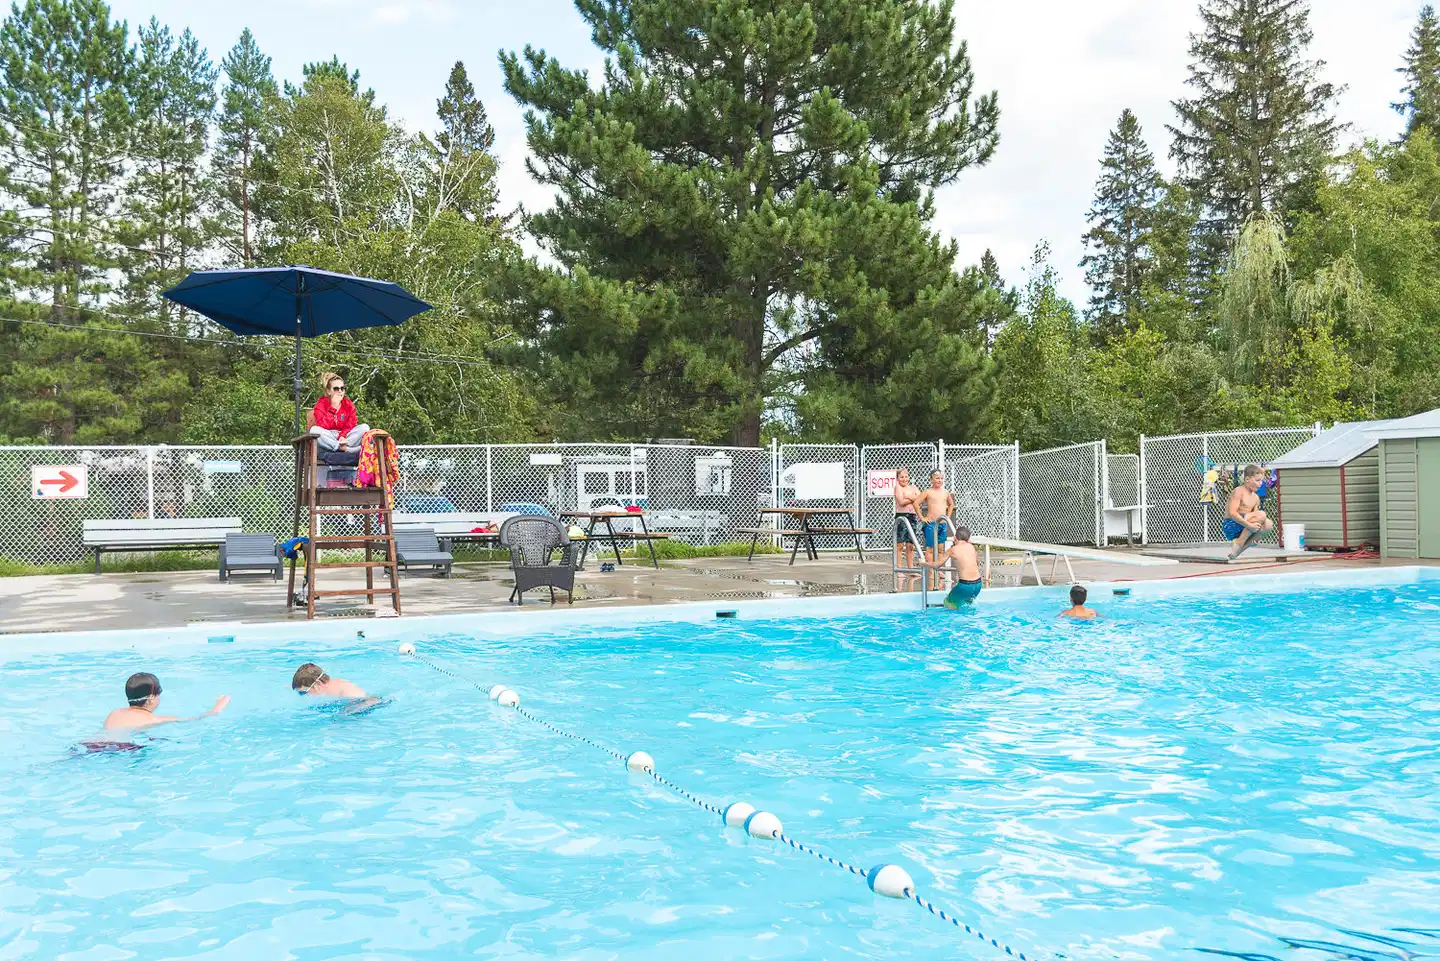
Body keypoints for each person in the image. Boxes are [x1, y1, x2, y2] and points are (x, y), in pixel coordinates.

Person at [103, 672, 230, 730]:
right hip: (122, 749)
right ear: (151, 698)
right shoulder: (155, 720)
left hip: (92, 745)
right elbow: (196, 720)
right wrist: (216, 709)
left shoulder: (115, 713)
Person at [923, 525, 983, 608]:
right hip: (978, 584)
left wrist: (923, 563)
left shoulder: (953, 549)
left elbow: (937, 565)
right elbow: (977, 563)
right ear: (968, 539)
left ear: (955, 538)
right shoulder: (971, 547)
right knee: (967, 605)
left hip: (965, 585)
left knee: (948, 604)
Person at [309, 371, 370, 453]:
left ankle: (344, 447)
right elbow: (322, 426)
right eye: (336, 388)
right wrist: (333, 408)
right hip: (328, 437)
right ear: (328, 391)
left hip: (345, 438)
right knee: (314, 430)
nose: (340, 391)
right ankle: (342, 448)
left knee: (365, 427)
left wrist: (342, 436)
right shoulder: (321, 404)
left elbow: (350, 426)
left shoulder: (348, 405)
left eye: (342, 388)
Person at [1223, 464, 1274, 560]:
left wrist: (1258, 534)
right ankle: (1239, 542)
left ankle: (1236, 552)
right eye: (1257, 480)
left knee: (1268, 524)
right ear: (1247, 479)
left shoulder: (1255, 497)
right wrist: (1249, 526)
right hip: (1231, 525)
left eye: (1262, 481)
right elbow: (1232, 513)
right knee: (1262, 514)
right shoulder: (1238, 491)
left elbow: (1257, 519)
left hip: (1244, 527)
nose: (1260, 484)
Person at [914, 470, 955, 585]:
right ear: (931, 479)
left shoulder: (945, 492)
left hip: (941, 524)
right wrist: (922, 517)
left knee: (941, 549)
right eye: (937, 478)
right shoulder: (928, 492)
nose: (939, 480)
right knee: (930, 549)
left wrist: (948, 517)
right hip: (931, 524)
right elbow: (916, 503)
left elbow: (951, 504)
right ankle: (931, 571)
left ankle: (938, 569)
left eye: (941, 478)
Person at [893, 467, 922, 577]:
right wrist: (913, 498)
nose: (904, 479)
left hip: (912, 517)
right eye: (901, 477)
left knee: (910, 545)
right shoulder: (898, 487)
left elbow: (920, 498)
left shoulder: (913, 487)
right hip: (902, 516)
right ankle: (899, 569)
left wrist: (908, 497)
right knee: (900, 545)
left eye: (906, 477)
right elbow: (901, 502)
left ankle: (911, 569)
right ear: (898, 478)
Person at [291, 663, 367, 698]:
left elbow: (371, 701)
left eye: (303, 693)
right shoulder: (329, 689)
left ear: (318, 683)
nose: (305, 696)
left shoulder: (347, 692)